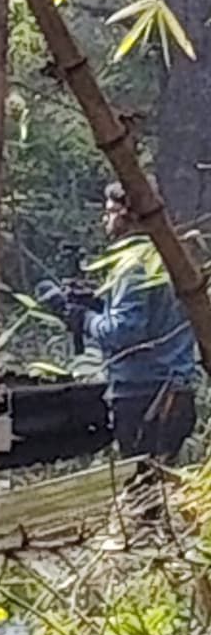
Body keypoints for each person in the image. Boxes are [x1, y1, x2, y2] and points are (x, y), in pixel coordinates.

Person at [89, 187, 202, 465]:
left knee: (142, 481)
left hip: (142, 393)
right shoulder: (175, 256)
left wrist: (85, 320)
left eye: (110, 212)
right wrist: (96, 304)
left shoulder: (133, 264)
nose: (105, 219)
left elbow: (124, 331)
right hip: (177, 389)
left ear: (127, 215)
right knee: (167, 478)